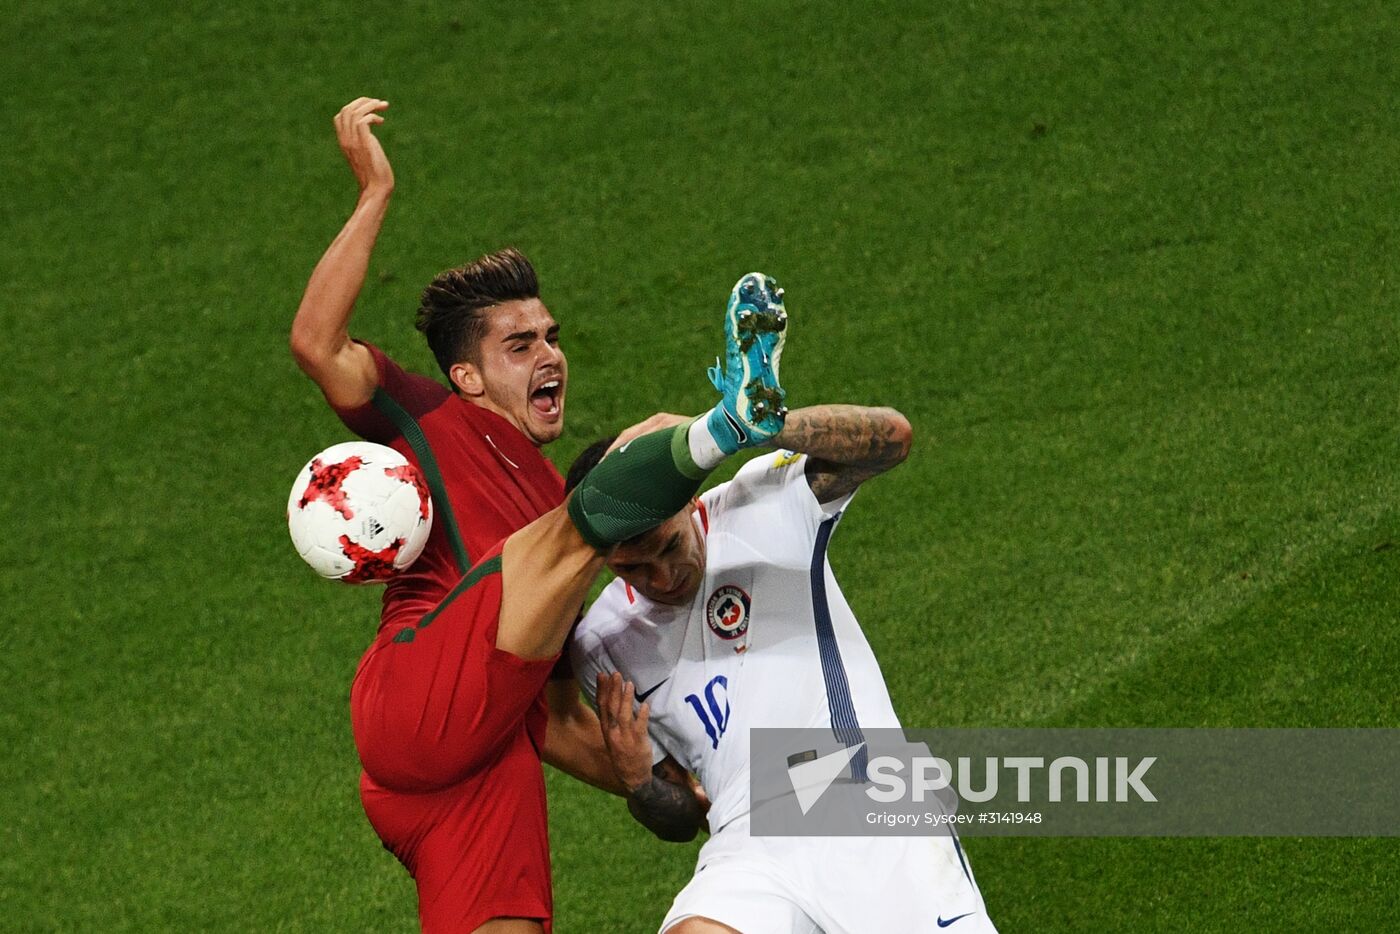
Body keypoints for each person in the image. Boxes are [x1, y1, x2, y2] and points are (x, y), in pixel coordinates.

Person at [290, 96, 792, 933]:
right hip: (415, 696)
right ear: (468, 379)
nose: (550, 354)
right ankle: (729, 423)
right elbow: (316, 342)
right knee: (580, 521)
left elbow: (557, 722)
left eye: (551, 337)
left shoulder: (550, 514)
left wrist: (664, 786)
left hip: (480, 764)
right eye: (519, 345)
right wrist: (374, 191)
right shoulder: (430, 419)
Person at [568, 405, 998, 933]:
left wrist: (753, 423)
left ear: (688, 504)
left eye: (669, 547)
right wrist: (638, 784)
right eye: (632, 568)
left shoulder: (760, 503)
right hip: (748, 839)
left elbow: (893, 438)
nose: (662, 577)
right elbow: (683, 819)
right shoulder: (604, 646)